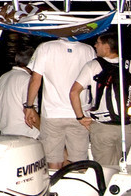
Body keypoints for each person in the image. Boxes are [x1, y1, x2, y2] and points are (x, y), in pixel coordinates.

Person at [25, 35, 97, 169]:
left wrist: (29, 106)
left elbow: (36, 80)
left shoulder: (45, 47)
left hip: (53, 113)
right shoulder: (88, 50)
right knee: (79, 160)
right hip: (80, 113)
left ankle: (56, 188)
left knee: (53, 159)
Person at [71, 33, 131, 168]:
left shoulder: (93, 66)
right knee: (122, 167)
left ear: (107, 47)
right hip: (127, 127)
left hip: (103, 127)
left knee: (104, 169)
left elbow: (74, 92)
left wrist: (80, 117)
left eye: (98, 43)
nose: (95, 46)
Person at [0, 41, 39, 138]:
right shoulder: (28, 80)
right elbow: (30, 112)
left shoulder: (2, 78)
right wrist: (45, 131)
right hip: (26, 133)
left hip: (5, 132)